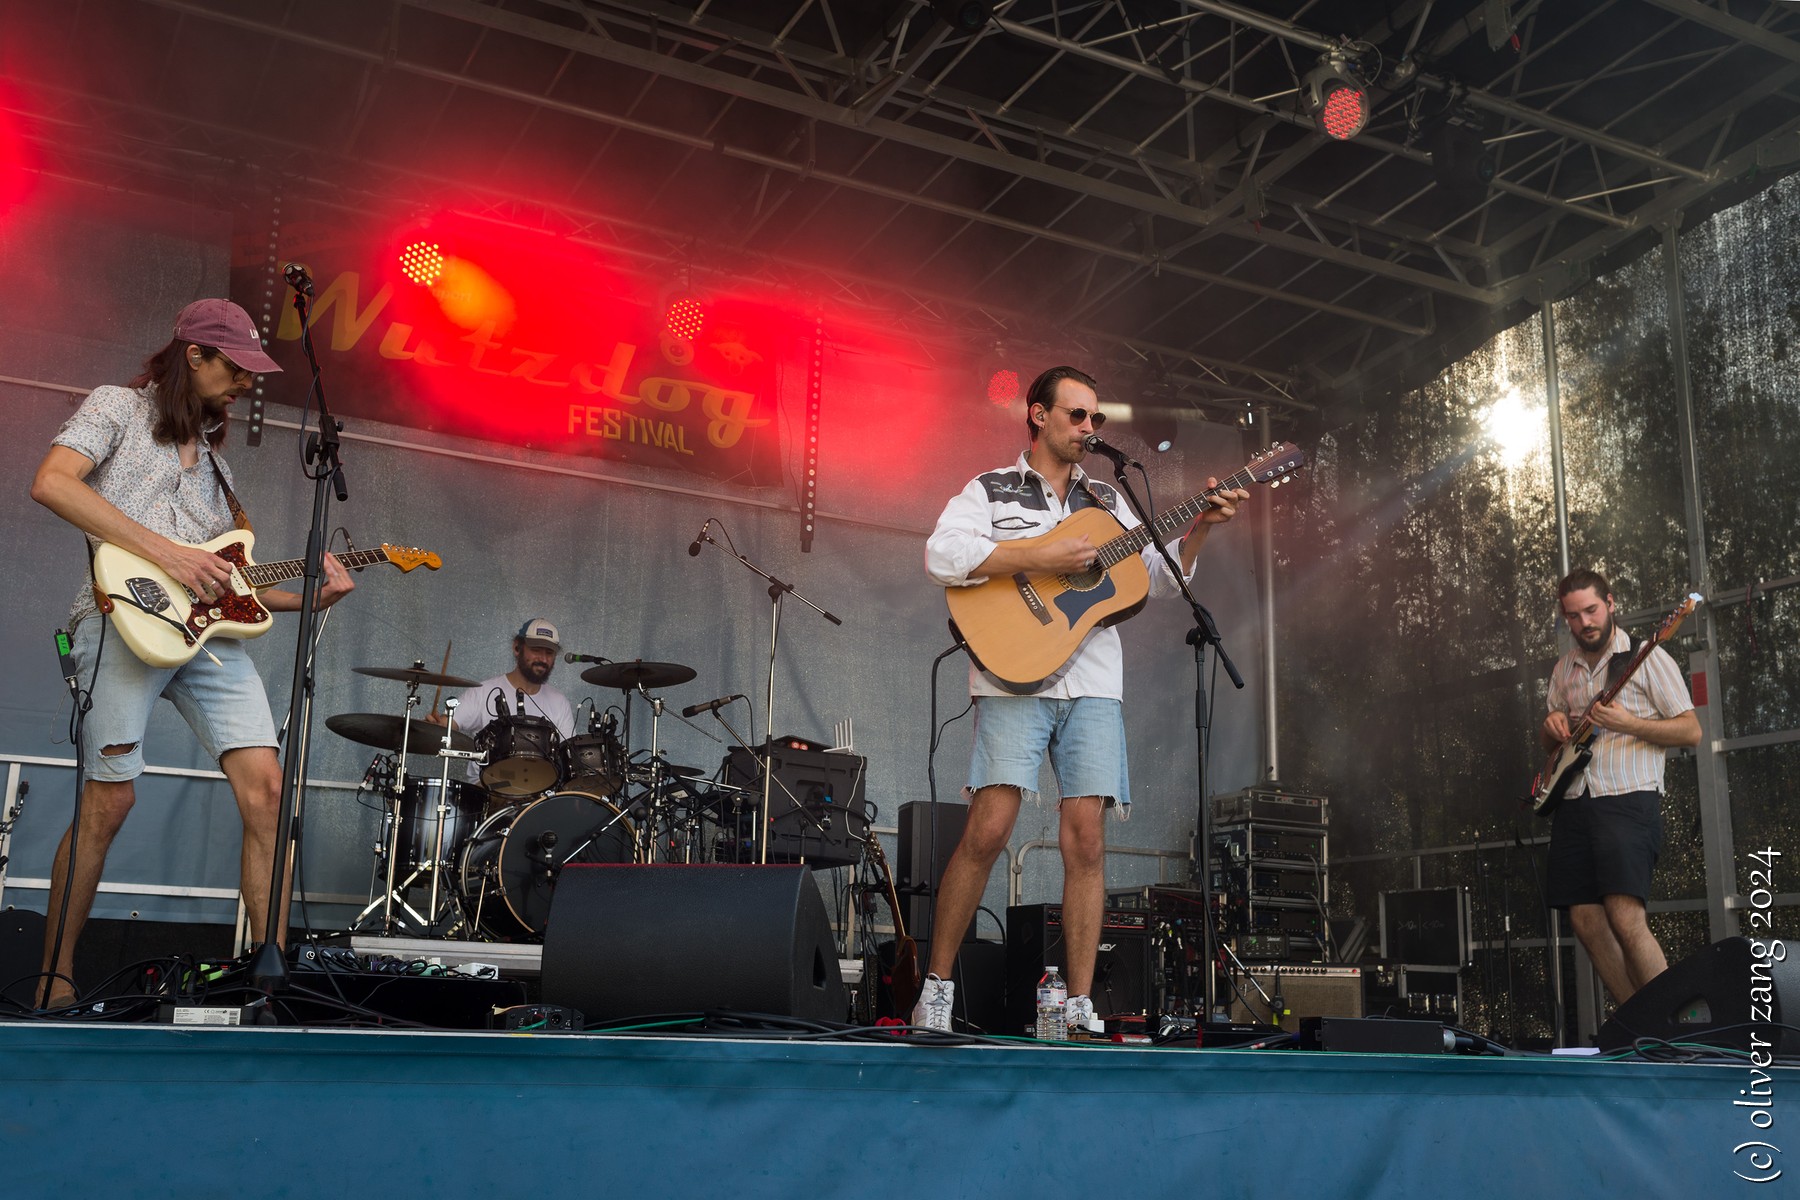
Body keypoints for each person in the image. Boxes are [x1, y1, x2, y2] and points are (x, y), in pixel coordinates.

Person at [29, 298, 356, 1009]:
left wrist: (312, 598)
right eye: (235, 368)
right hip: (120, 618)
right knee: (110, 800)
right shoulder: (117, 407)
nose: (246, 383)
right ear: (194, 356)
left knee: (269, 790)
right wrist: (168, 553)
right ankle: (54, 980)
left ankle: (269, 982)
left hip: (205, 640)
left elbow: (228, 588)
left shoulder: (216, 467)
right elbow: (51, 482)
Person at [918, 365, 1246, 1034]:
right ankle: (936, 990)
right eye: (1076, 415)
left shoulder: (1107, 499)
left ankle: (1077, 1003)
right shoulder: (991, 487)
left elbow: (1156, 576)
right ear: (1038, 415)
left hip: (1093, 683)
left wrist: (1202, 526)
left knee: (1088, 842)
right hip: (1014, 676)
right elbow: (942, 555)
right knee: (988, 830)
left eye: (1095, 417)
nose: (1089, 428)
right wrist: (1038, 558)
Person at [1541, 568, 1700, 1003]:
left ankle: (1673, 1022)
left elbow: (1691, 731)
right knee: (1585, 919)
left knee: (1625, 916)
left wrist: (1629, 723)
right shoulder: (1564, 669)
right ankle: (1637, 1023)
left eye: (1592, 610)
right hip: (1575, 800)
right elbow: (1551, 741)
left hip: (1628, 799)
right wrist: (1551, 725)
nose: (1585, 622)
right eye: (1574, 616)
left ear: (1611, 603)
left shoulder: (1648, 657)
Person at [438, 618, 578, 786]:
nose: (543, 658)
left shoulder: (559, 702)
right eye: (536, 650)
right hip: (487, 790)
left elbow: (568, 757)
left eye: (549, 653)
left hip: (540, 792)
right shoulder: (483, 691)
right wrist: (436, 726)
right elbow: (447, 725)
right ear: (517, 648)